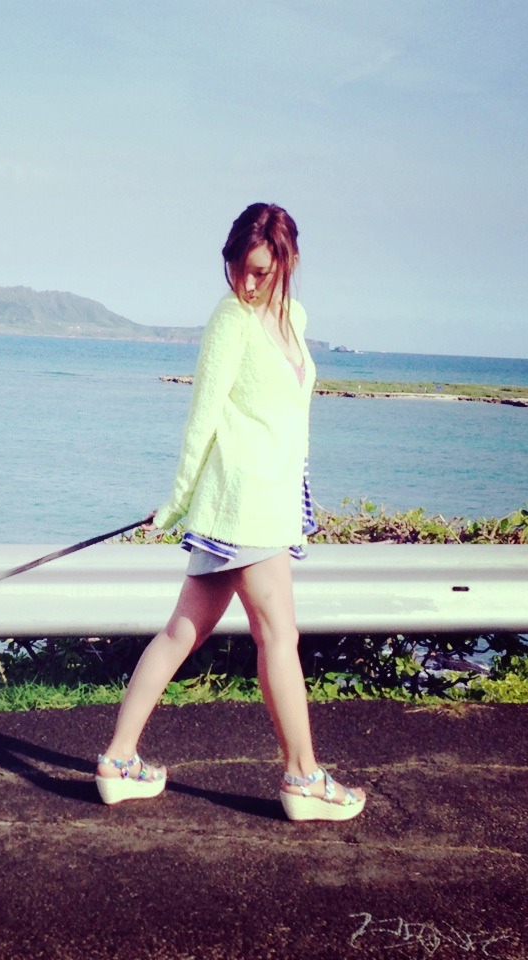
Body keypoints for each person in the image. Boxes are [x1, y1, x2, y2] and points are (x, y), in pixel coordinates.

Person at [95, 202, 366, 821]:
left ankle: (118, 760)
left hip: (268, 501)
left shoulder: (294, 318)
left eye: (260, 271)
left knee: (182, 632)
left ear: (287, 263)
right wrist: (179, 500)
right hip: (244, 503)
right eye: (237, 268)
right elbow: (204, 416)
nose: (246, 283)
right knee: (280, 637)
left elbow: (285, 419)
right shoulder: (231, 320)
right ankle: (303, 778)